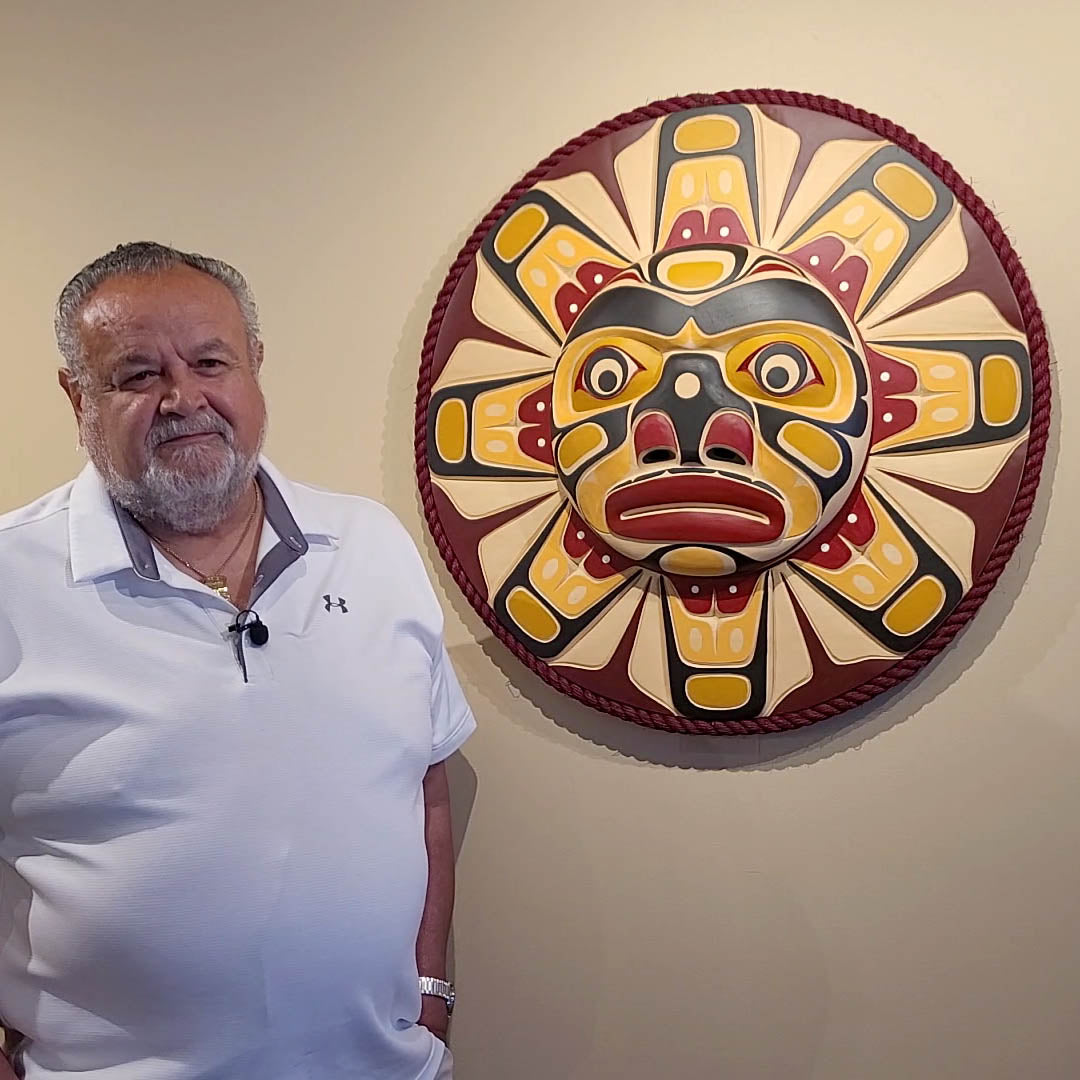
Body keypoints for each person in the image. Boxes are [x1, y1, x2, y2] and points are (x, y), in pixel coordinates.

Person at [0, 243, 474, 1079]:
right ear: (79, 397)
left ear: (253, 365)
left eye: (210, 361)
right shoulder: (11, 581)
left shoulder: (371, 545)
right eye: (137, 374)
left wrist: (430, 991)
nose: (185, 398)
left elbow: (424, 785)